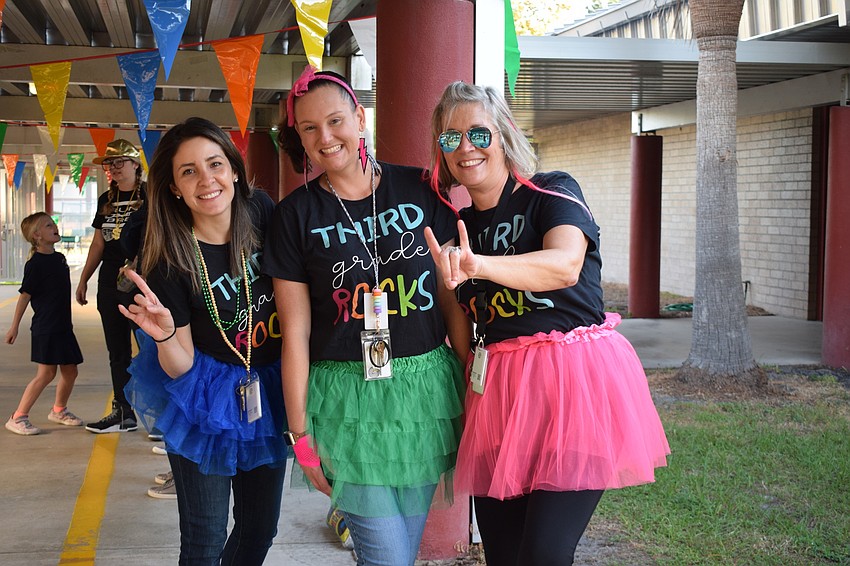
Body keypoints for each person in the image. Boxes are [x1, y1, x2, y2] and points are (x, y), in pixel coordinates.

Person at [424, 81, 671, 566]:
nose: (465, 148)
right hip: (499, 396)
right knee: (504, 554)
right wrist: (448, 283)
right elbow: (461, 329)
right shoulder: (457, 224)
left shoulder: (552, 191)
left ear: (505, 134)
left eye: (477, 133)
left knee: (544, 552)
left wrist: (479, 265)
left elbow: (564, 265)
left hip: (572, 390)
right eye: (450, 139)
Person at [265, 67, 467, 566]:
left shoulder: (421, 189)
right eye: (309, 128)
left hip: (424, 395)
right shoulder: (294, 217)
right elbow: (295, 333)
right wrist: (299, 434)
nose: (324, 137)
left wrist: (471, 386)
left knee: (402, 550)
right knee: (387, 560)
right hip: (345, 400)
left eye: (335, 121)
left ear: (359, 118)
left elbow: (451, 302)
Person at [118, 117, 287, 564]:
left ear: (233, 169)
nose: (206, 179)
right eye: (188, 171)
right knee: (204, 538)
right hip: (203, 393)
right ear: (174, 187)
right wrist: (166, 334)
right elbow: (181, 366)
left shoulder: (264, 214)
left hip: (265, 389)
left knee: (259, 528)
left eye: (215, 164)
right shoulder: (169, 258)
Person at [78, 139, 146, 433]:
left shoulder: (151, 197)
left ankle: (161, 418)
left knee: (153, 348)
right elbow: (98, 243)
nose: (114, 168)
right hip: (109, 281)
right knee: (117, 351)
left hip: (143, 282)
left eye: (120, 162)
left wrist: (138, 262)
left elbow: (162, 239)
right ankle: (123, 412)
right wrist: (84, 279)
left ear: (135, 165)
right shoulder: (107, 198)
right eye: (110, 163)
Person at [5, 212, 84, 435]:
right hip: (46, 327)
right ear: (37, 235)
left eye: (54, 224)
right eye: (49, 225)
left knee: (70, 371)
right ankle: (18, 416)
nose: (55, 227)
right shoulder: (35, 264)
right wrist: (14, 327)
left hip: (63, 326)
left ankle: (59, 410)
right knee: (46, 373)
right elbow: (24, 296)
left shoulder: (59, 258)